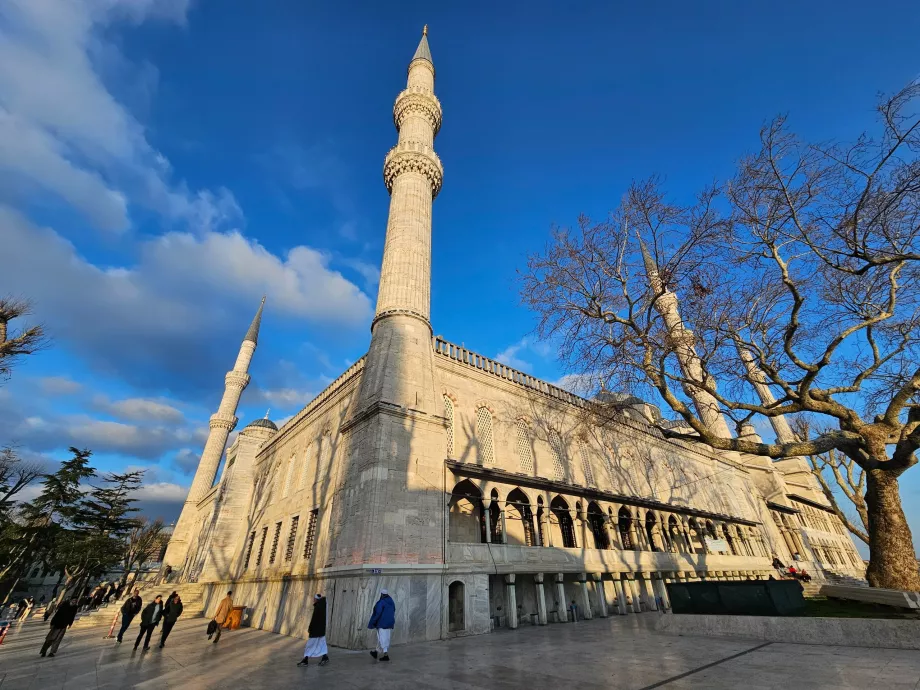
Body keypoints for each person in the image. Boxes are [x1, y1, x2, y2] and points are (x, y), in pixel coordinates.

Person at [297, 594, 329, 667]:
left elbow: (314, 620)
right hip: (321, 630)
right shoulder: (323, 606)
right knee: (322, 643)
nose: (313, 600)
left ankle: (305, 660)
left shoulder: (318, 607)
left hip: (316, 631)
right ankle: (325, 657)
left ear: (316, 599)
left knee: (310, 645)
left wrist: (310, 628)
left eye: (314, 598)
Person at [367, 589, 395, 662]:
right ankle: (376, 652)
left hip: (382, 623)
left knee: (382, 638)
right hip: (389, 623)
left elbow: (377, 613)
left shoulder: (381, 602)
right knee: (383, 638)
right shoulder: (391, 601)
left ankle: (386, 655)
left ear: (381, 594)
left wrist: (373, 621)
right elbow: (394, 610)